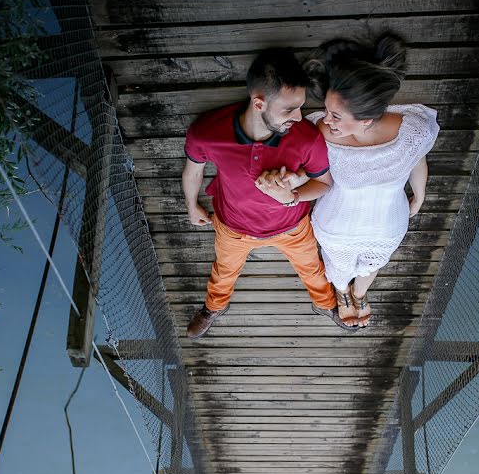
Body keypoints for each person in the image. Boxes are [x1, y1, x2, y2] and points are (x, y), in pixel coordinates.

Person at [259, 33, 439, 328]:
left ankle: (360, 293)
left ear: (366, 120)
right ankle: (343, 293)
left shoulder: (413, 130)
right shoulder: (322, 132)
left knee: (373, 264)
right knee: (339, 267)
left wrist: (419, 196)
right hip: (337, 224)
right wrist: (291, 182)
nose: (325, 120)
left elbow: (416, 159)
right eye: (328, 111)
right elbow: (314, 169)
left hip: (387, 224)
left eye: (334, 115)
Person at [182, 47, 351, 339]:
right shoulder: (207, 132)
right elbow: (193, 170)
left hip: (292, 226)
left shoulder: (307, 138)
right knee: (223, 271)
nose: (299, 117)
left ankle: (324, 304)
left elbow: (323, 182)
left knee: (312, 268)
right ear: (259, 103)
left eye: (300, 106)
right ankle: (214, 307)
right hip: (232, 226)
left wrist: (292, 196)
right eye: (288, 109)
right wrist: (191, 205)